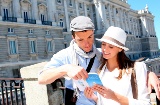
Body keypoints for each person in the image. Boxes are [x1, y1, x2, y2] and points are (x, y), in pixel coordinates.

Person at [38, 16, 160, 105]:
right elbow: (42, 78)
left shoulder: (102, 53)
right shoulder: (65, 55)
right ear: (73, 37)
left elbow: (125, 65)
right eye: (80, 40)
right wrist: (66, 68)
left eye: (90, 37)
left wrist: (149, 74)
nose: (87, 44)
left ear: (94, 34)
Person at [84, 26, 150, 105]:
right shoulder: (101, 69)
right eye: (103, 44)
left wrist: (114, 96)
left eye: (111, 46)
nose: (105, 49)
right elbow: (104, 101)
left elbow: (145, 103)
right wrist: (93, 97)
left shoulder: (137, 67)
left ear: (120, 49)